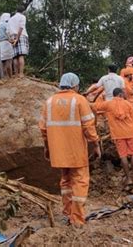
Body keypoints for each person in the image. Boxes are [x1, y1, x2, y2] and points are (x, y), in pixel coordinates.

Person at [38, 73, 100, 226]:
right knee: (80, 181)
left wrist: (47, 148)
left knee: (65, 181)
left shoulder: (49, 101)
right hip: (76, 151)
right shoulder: (79, 100)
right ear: (74, 85)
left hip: (59, 151)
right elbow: (88, 126)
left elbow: (43, 128)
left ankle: (67, 213)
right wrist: (96, 144)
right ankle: (77, 219)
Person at [95, 88, 133, 187]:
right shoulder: (128, 104)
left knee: (123, 156)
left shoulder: (108, 104)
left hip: (118, 135)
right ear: (120, 94)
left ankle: (128, 178)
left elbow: (95, 107)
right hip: (131, 132)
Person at [7, 5, 29, 78]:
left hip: (12, 36)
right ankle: (21, 73)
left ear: (16, 11)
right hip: (21, 35)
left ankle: (16, 74)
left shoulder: (11, 19)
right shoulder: (22, 17)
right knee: (21, 55)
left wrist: (11, 38)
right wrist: (17, 38)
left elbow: (8, 31)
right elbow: (21, 27)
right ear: (23, 12)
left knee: (15, 56)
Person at [0, 13, 14, 78]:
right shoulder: (7, 24)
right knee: (9, 61)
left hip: (0, 44)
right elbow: (8, 33)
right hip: (6, 43)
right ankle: (10, 77)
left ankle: (2, 77)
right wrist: (11, 40)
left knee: (1, 61)